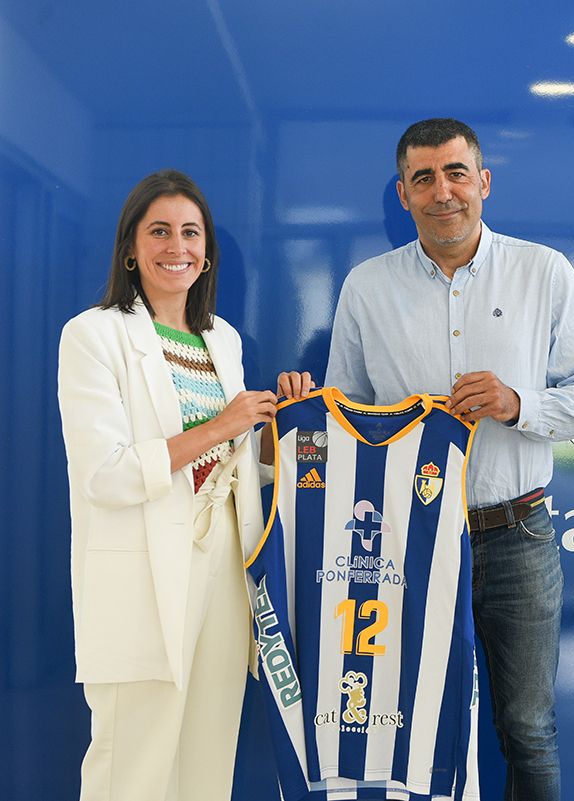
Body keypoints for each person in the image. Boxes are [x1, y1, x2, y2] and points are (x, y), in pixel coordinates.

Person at [279, 118, 574, 801]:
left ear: (483, 182)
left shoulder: (544, 272)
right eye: (423, 178)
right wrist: (305, 411)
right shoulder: (367, 287)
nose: (442, 191)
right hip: (408, 540)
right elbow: (346, 418)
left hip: (517, 535)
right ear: (403, 194)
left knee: (528, 729)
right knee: (412, 725)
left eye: (456, 173)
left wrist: (517, 402)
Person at [58, 170, 277, 801]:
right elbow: (106, 474)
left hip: (223, 565)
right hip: (145, 568)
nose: (176, 246)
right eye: (159, 231)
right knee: (134, 764)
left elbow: (236, 462)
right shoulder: (93, 334)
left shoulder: (222, 339)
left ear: (206, 252)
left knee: (207, 757)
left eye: (190, 232)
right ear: (130, 247)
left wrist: (274, 427)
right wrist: (223, 425)